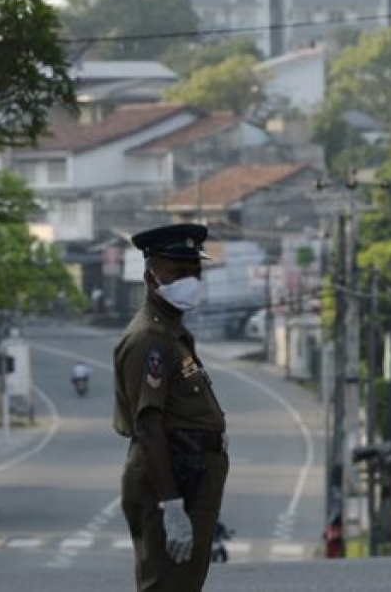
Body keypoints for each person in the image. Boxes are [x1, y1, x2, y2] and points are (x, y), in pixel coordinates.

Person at [114, 223, 228, 591]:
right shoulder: (150, 339)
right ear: (151, 279)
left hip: (191, 476)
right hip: (174, 481)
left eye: (195, 271)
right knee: (167, 586)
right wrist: (172, 505)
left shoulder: (171, 332)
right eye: (177, 273)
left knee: (183, 584)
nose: (190, 280)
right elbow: (148, 427)